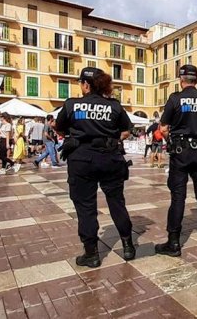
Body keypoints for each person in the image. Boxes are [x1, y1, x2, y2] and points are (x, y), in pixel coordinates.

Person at [55, 67, 135, 268]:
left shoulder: (72, 105)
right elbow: (127, 129)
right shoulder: (114, 106)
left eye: (81, 83)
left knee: (85, 207)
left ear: (86, 84)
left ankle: (91, 254)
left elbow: (59, 127)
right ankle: (128, 245)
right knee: (116, 202)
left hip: (81, 159)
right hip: (110, 158)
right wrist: (111, 137)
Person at [155, 64, 197, 255]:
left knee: (178, 196)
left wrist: (169, 141)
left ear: (181, 80)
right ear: (196, 80)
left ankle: (173, 243)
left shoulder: (175, 98)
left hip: (181, 151)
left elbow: (163, 128)